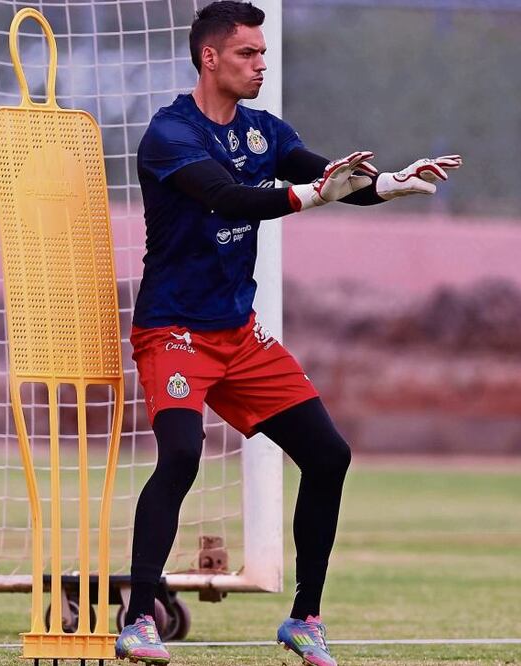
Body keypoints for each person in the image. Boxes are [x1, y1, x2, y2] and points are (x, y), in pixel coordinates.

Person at [114, 2, 461, 664]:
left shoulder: (264, 132)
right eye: (247, 53)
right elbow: (230, 198)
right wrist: (316, 195)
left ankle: (305, 618)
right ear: (210, 58)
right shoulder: (170, 134)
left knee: (328, 456)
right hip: (175, 331)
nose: (260, 65)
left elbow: (331, 179)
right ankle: (138, 621)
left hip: (239, 336)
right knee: (181, 455)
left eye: (263, 54)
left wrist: (390, 184)